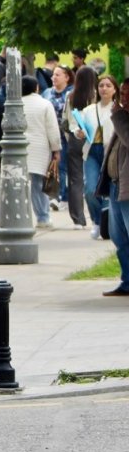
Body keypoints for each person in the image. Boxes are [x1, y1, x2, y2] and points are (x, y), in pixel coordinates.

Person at [76, 72, 118, 240]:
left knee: (109, 189)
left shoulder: (119, 109)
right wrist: (78, 132)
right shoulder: (89, 110)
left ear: (115, 89)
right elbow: (79, 128)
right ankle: (97, 220)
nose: (104, 89)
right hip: (92, 150)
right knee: (90, 189)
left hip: (111, 152)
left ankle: (108, 223)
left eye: (108, 85)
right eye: (101, 85)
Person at [22, 76, 62, 229]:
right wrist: (56, 150)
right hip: (40, 148)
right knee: (38, 184)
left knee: (20, 184)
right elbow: (52, 129)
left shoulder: (15, 103)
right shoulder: (45, 104)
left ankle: (21, 216)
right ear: (36, 88)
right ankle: (43, 217)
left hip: (20, 148)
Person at [101, 78, 129, 297]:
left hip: (127, 188)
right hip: (115, 185)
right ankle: (127, 281)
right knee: (119, 238)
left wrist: (118, 114)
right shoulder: (123, 117)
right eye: (124, 93)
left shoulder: (122, 118)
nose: (125, 98)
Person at [67, 65, 99, 235]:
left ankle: (78, 218)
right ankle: (98, 216)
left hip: (75, 138)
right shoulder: (96, 96)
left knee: (75, 179)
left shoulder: (70, 96)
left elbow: (67, 119)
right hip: (94, 139)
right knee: (94, 178)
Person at [43, 65, 75, 213]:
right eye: (53, 75)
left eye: (57, 75)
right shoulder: (47, 93)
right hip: (48, 135)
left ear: (67, 77)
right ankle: (57, 196)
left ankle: (61, 197)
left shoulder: (72, 93)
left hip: (67, 136)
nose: (53, 78)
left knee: (62, 167)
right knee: (52, 167)